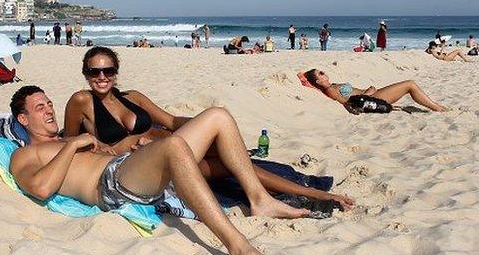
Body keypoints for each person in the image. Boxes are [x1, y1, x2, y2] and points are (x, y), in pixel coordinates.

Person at [12, 86, 307, 255]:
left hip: (128, 169)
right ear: (23, 120)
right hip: (109, 186)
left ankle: (259, 200)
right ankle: (240, 249)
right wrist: (72, 146)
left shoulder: (67, 136)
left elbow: (110, 150)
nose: (50, 109)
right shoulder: (26, 155)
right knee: (173, 147)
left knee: (218, 116)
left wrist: (131, 146)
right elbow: (40, 188)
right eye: (40, 108)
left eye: (49, 103)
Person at [63, 47, 355, 210]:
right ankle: (297, 197)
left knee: (234, 160)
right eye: (94, 71)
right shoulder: (81, 101)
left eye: (107, 71)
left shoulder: (133, 97)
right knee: (233, 165)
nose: (101, 77)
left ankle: (301, 195)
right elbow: (72, 145)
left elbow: (172, 121)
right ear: (85, 74)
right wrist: (115, 147)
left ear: (116, 73)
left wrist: (201, 124)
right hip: (154, 162)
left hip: (179, 141)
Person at [303, 69, 446, 112]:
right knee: (410, 84)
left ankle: (436, 107)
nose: (324, 72)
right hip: (370, 99)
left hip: (372, 95)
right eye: (320, 73)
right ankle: (437, 108)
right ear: (318, 81)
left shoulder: (333, 85)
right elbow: (349, 104)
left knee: (409, 84)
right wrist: (368, 93)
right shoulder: (330, 90)